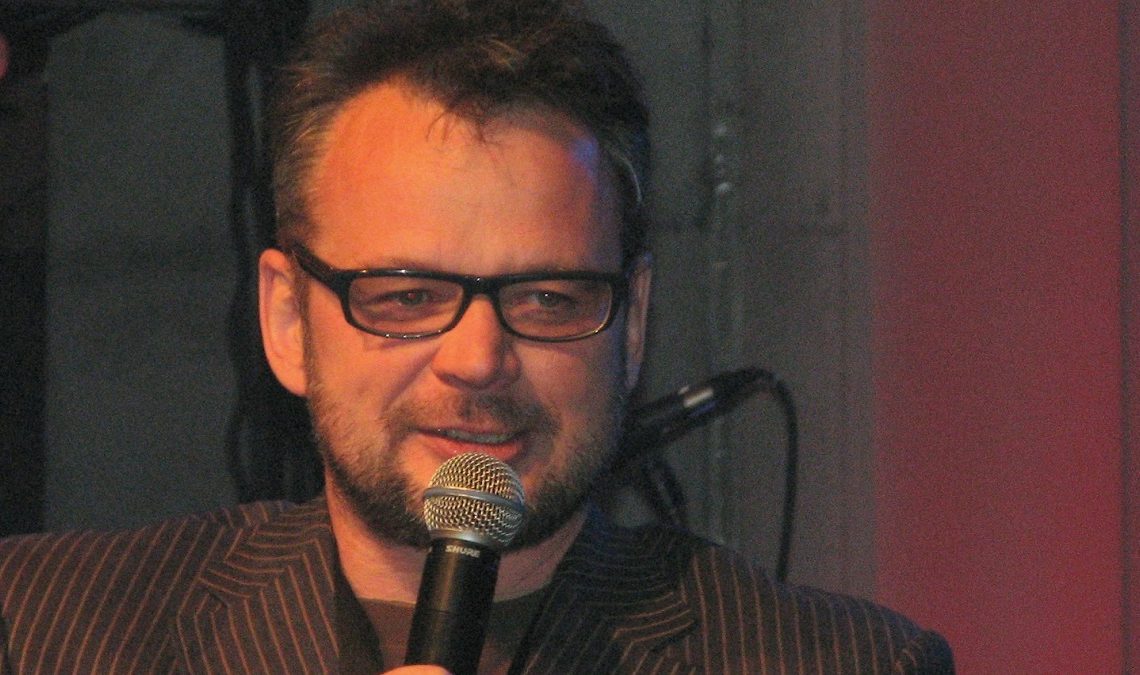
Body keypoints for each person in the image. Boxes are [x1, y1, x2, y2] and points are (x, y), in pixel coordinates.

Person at [0, 0, 954, 672]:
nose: (478, 358)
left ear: (631, 325)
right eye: (408, 295)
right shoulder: (42, 629)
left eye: (547, 298)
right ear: (288, 320)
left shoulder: (840, 662)